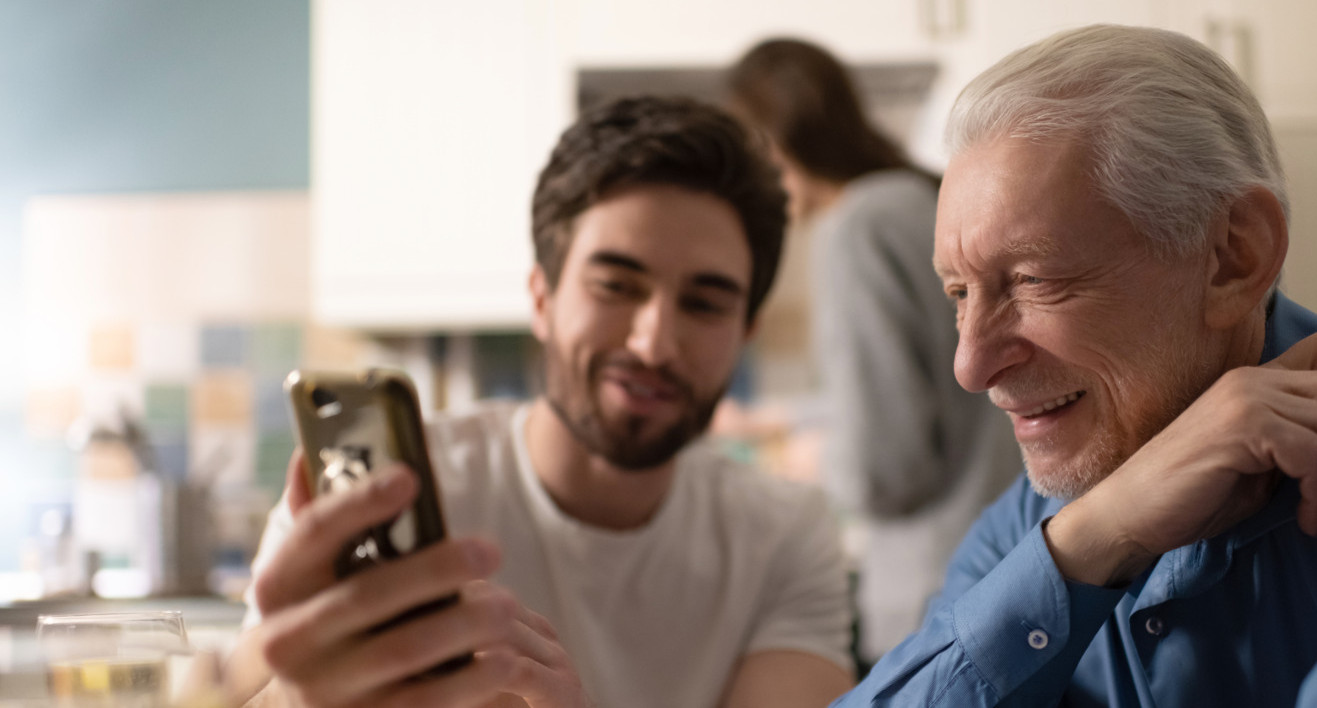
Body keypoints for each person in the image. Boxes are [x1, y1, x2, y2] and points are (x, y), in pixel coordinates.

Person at [836, 24, 1317, 707]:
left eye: (1033, 280)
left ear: (1233, 259)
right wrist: (1102, 531)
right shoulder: (1036, 523)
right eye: (958, 294)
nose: (970, 367)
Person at [228, 96, 855, 708]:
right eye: (615, 285)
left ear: (746, 329)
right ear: (541, 299)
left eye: (705, 303)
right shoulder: (392, 490)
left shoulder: (786, 538)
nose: (654, 343)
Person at [727, 38, 1023, 663]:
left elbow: (884, 469)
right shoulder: (917, 200)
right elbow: (926, 391)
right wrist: (779, 419)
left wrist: (803, 457)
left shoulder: (857, 229)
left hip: (936, 599)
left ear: (774, 145)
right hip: (1006, 570)